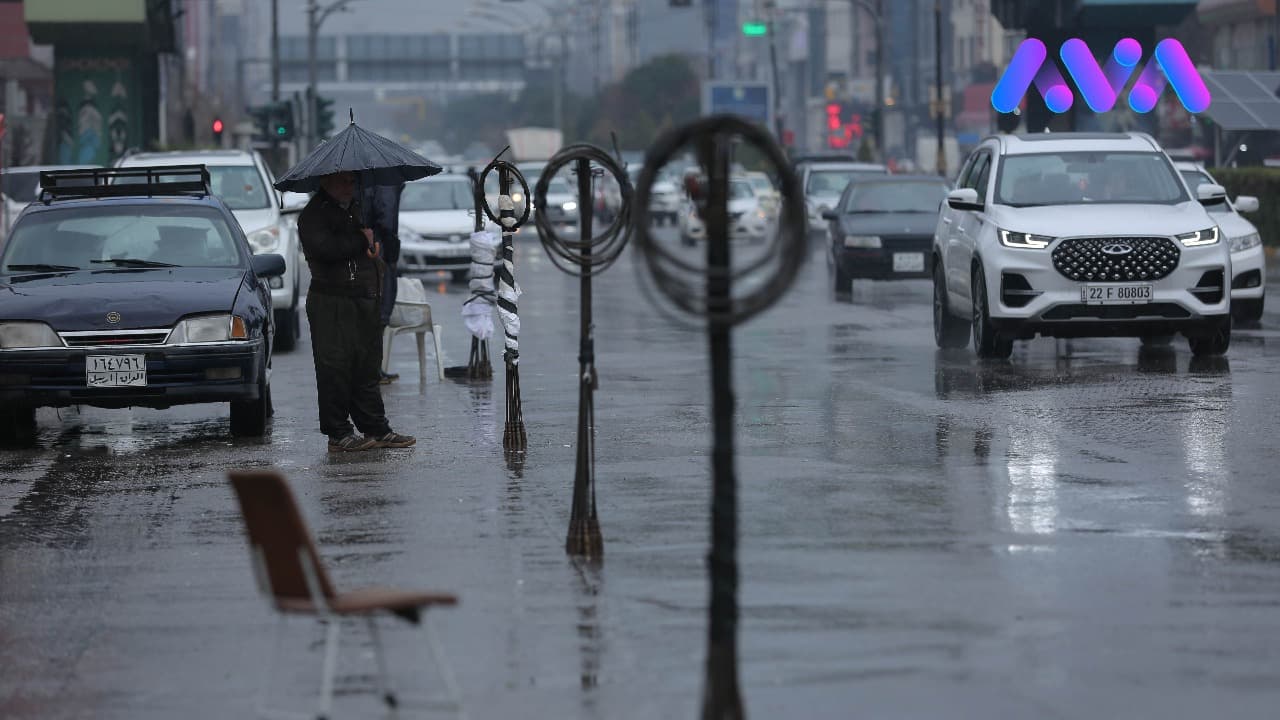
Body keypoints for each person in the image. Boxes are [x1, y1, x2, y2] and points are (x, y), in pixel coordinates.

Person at [297, 171, 416, 451]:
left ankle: (376, 428)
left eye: (352, 182)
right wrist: (362, 240)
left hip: (361, 298)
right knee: (335, 369)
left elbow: (360, 245)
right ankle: (338, 433)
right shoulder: (314, 214)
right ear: (326, 182)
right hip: (332, 301)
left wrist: (370, 249)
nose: (349, 187)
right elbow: (326, 249)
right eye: (343, 181)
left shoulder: (353, 208)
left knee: (366, 368)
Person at [361, 181, 405, 384]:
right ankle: (373, 370)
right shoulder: (384, 181)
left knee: (374, 315)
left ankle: (373, 369)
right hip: (380, 250)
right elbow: (386, 216)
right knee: (379, 313)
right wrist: (392, 247)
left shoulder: (370, 179)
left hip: (372, 247)